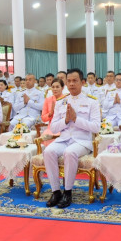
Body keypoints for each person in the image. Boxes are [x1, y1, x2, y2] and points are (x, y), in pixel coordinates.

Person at [43, 68, 101, 208]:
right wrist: (65, 120)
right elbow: (55, 127)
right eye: (68, 81)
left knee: (70, 152)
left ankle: (67, 192)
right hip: (63, 139)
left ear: (82, 82)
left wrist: (75, 119)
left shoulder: (91, 102)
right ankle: (56, 191)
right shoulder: (61, 101)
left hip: (82, 141)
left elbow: (96, 127)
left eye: (75, 81)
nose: (71, 84)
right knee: (48, 151)